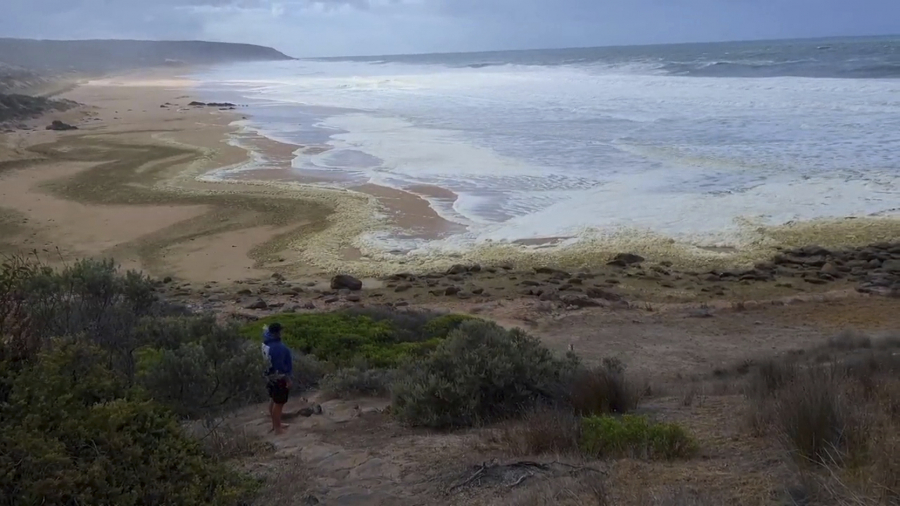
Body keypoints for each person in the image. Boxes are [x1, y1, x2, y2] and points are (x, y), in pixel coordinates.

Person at [261, 322, 292, 435]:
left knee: (273, 400)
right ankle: (277, 428)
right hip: (278, 378)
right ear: (277, 332)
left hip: (269, 376)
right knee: (279, 403)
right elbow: (280, 367)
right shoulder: (278, 348)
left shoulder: (266, 343)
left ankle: (276, 424)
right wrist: (287, 379)